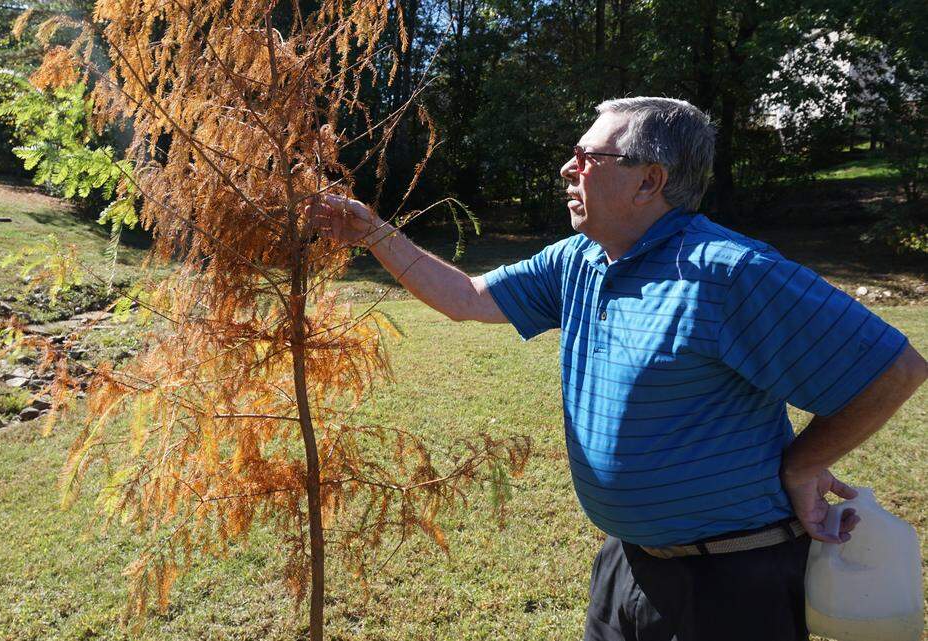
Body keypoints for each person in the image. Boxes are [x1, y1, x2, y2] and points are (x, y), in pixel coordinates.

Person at [307, 96, 928, 641]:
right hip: (628, 563)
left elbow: (894, 369)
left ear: (648, 181)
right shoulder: (581, 258)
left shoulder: (729, 272)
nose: (566, 168)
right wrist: (373, 234)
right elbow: (467, 299)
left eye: (588, 156)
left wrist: (803, 461)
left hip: (733, 578)